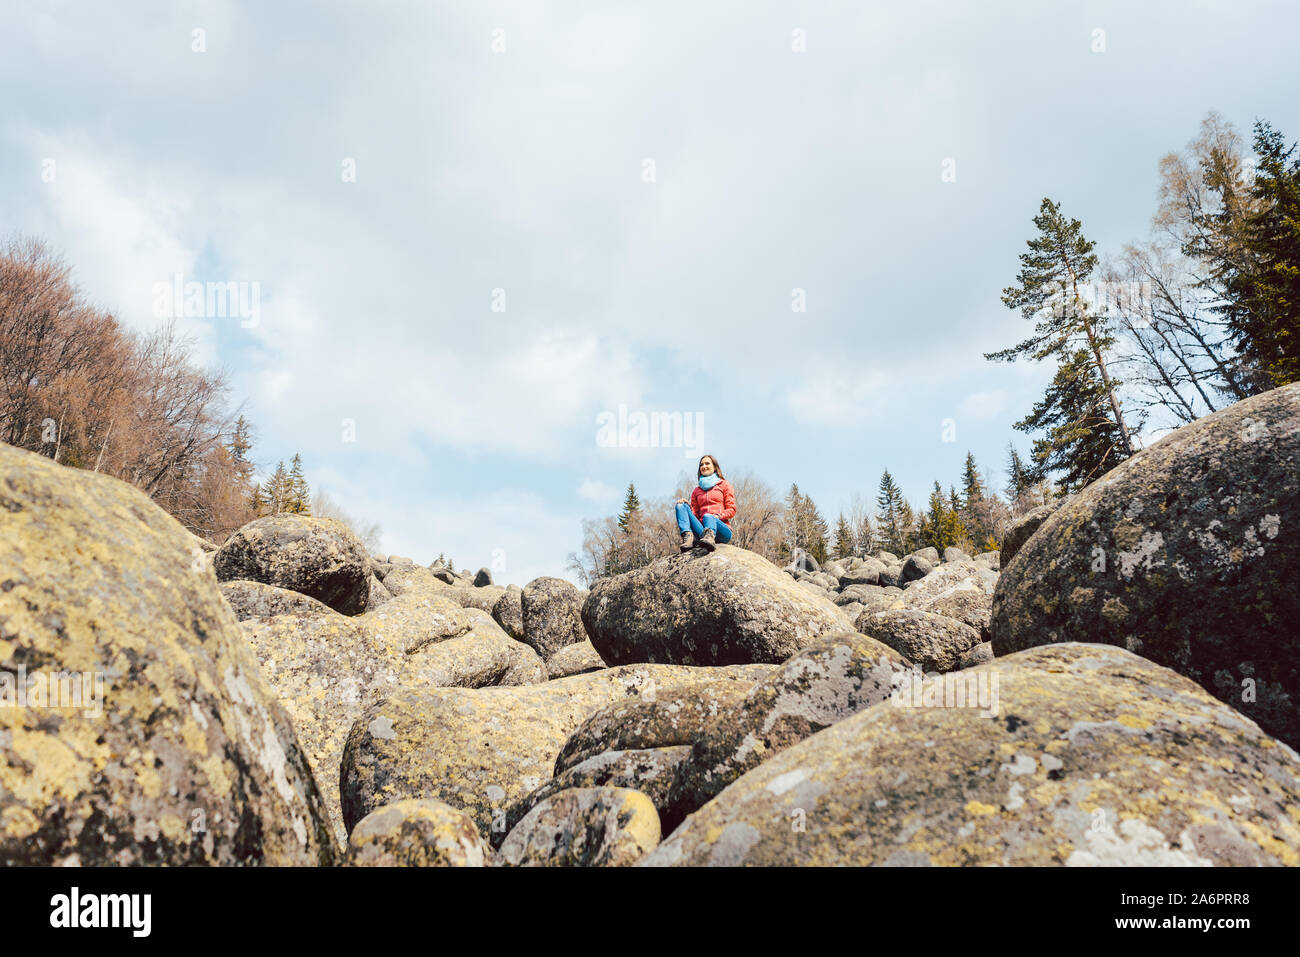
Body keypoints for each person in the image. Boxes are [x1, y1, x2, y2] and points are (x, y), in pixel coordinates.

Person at [675, 454, 735, 552]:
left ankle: (711, 538)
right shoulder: (696, 491)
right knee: (680, 506)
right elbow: (695, 514)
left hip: (722, 530)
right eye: (701, 465)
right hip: (703, 531)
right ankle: (689, 537)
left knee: (708, 516)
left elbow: (732, 510)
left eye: (707, 463)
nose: (704, 466)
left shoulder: (724, 485)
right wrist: (687, 507)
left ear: (715, 467)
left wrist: (717, 516)